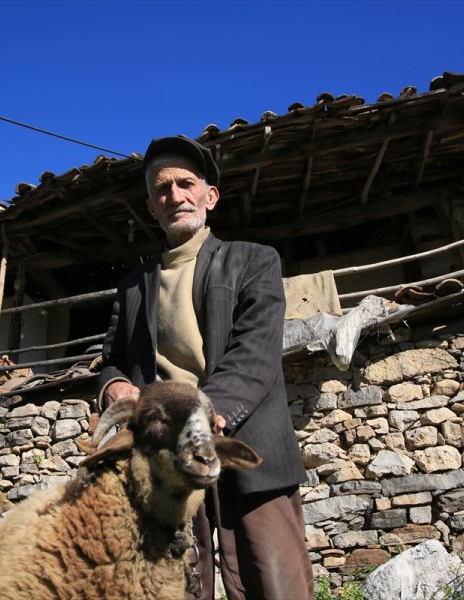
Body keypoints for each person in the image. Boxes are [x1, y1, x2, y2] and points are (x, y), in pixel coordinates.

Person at [98, 135, 314, 600]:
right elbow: (112, 361)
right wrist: (114, 384)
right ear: (151, 207)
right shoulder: (132, 289)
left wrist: (206, 415)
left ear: (209, 196)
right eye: (162, 189)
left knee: (273, 584)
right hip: (165, 463)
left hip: (246, 446)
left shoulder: (254, 261)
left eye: (185, 183)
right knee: (175, 586)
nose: (174, 195)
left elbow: (253, 352)